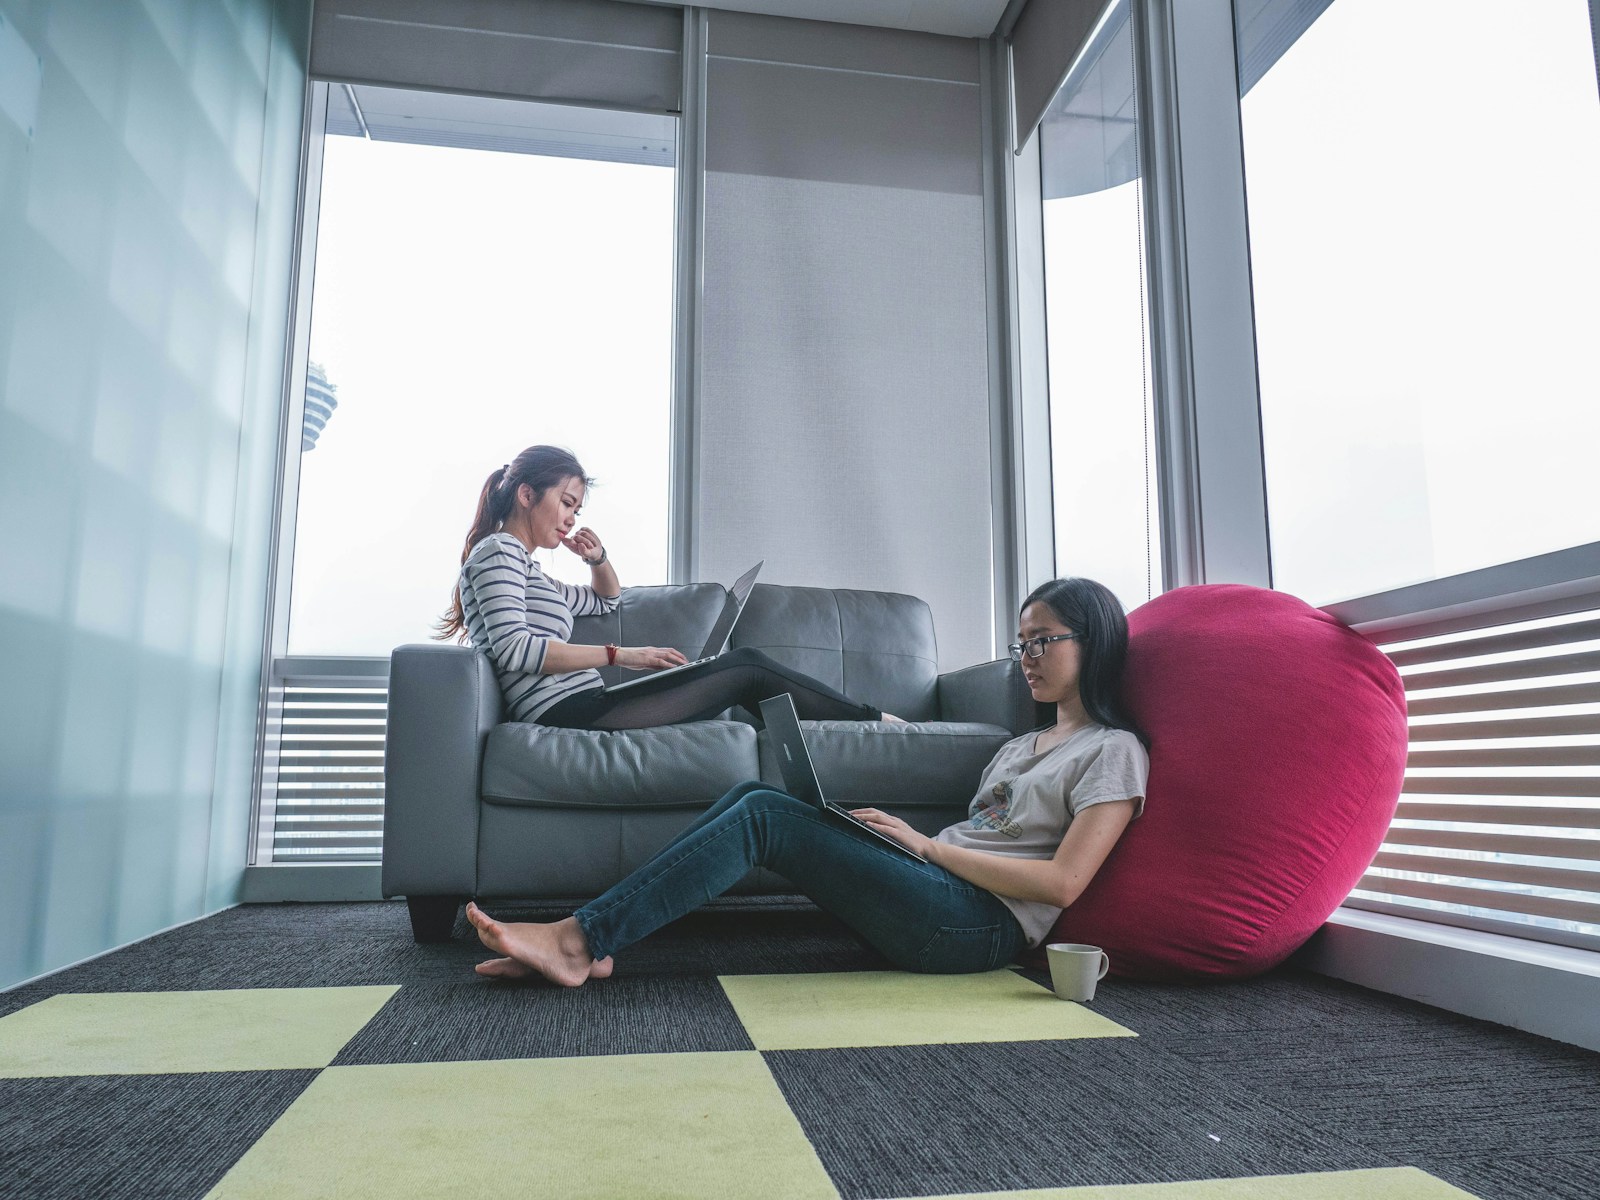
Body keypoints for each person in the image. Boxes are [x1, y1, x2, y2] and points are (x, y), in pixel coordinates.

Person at [464, 576, 1150, 985]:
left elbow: (1063, 884)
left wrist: (928, 849)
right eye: (1021, 643)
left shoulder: (1112, 751)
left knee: (764, 814)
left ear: (1093, 642)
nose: (1026, 657)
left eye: (1043, 640)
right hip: (942, 892)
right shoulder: (1023, 743)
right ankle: (593, 937)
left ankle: (577, 943)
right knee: (753, 799)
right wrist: (890, 842)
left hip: (979, 928)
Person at [437, 444, 898, 730]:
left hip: (583, 702)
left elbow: (606, 599)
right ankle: (875, 724)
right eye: (566, 502)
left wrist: (597, 559)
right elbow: (516, 649)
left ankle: (846, 738)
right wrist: (622, 655)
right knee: (747, 669)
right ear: (526, 494)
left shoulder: (530, 571)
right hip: (569, 709)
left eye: (576, 509)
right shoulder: (498, 552)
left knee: (748, 674)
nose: (571, 518)